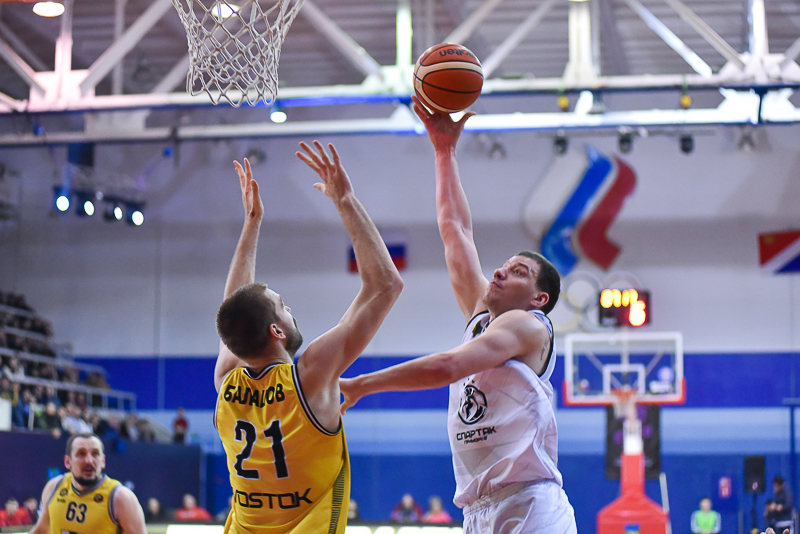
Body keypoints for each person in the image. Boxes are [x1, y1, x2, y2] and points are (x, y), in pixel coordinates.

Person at [339, 97, 576, 534]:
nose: (500, 271)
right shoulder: (482, 317)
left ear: (539, 299)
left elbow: (449, 366)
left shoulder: (529, 326)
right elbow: (456, 231)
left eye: (519, 272)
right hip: (477, 512)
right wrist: (444, 150)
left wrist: (360, 384)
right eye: (503, 265)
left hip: (530, 504)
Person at [213, 142, 403, 534]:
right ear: (277, 330)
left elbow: (235, 313)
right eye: (283, 306)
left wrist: (252, 225)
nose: (290, 309)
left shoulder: (226, 384)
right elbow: (385, 285)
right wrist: (345, 200)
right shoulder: (310, 378)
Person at [27, 432, 147, 534]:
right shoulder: (54, 487)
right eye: (81, 454)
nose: (89, 460)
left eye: (95, 454)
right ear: (67, 462)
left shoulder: (120, 497)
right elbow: (42, 529)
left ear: (103, 461)